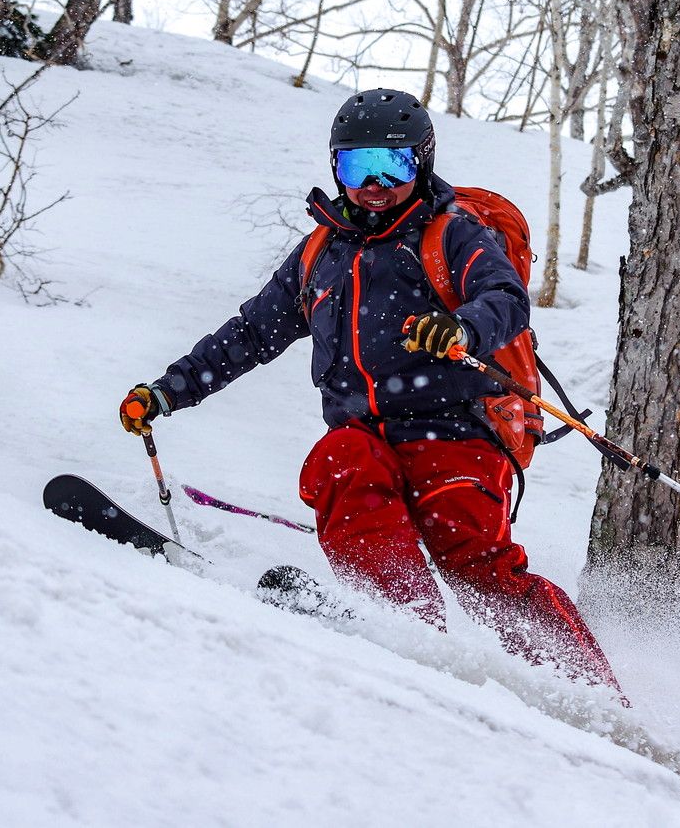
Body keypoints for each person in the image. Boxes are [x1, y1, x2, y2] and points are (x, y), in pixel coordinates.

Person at [119, 88, 622, 695]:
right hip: (365, 433)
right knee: (339, 462)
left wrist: (461, 327)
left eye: (396, 166)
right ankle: (405, 634)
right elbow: (252, 332)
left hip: (457, 431)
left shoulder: (452, 234)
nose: (376, 184)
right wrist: (169, 391)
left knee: (468, 554)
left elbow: (505, 298)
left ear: (423, 164)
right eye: (358, 167)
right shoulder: (322, 254)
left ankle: (593, 694)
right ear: (337, 169)